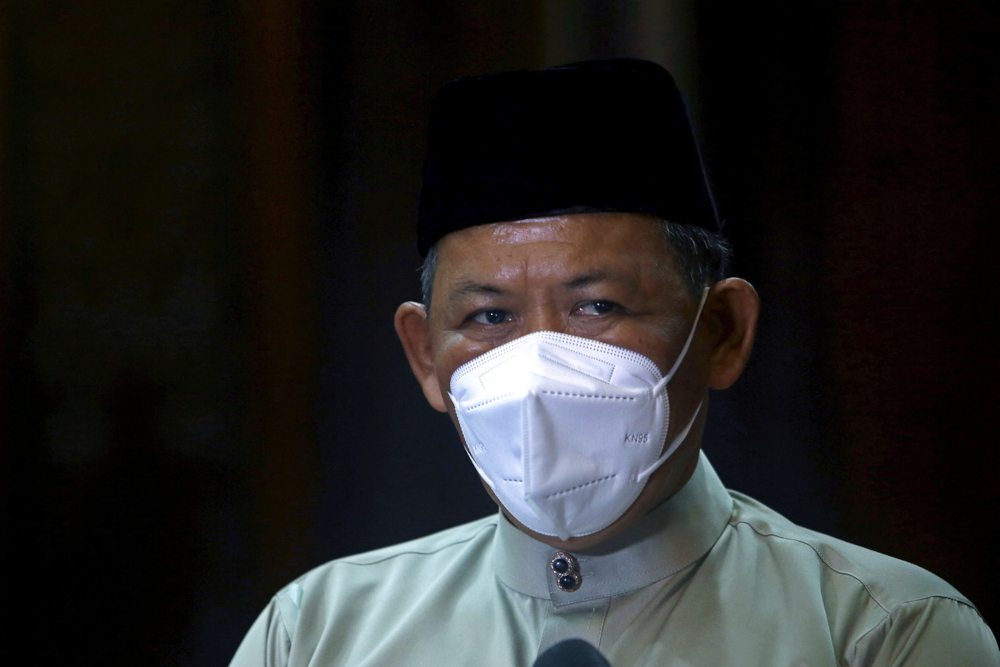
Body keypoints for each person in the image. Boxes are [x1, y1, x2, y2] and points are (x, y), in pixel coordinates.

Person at [230, 59, 998, 666]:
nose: (537, 364)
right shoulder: (317, 634)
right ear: (425, 356)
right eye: (489, 316)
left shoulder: (881, 634)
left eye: (596, 306)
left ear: (723, 330)